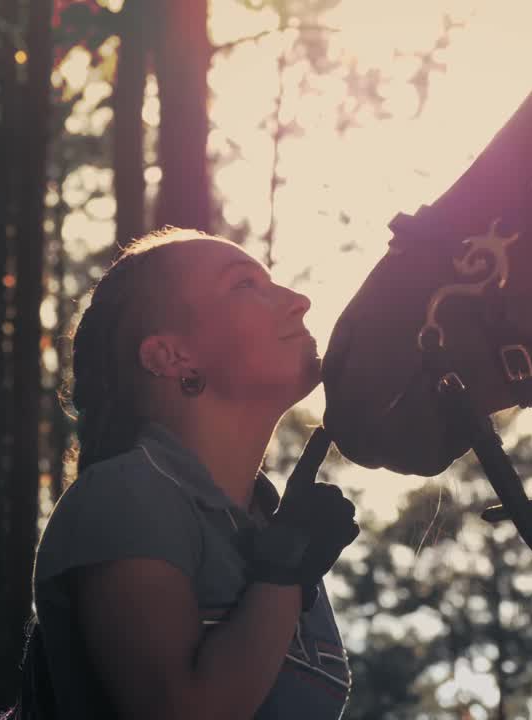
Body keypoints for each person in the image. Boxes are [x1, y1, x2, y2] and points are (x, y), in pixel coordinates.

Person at [27, 227, 361, 719]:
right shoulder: (124, 495)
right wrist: (283, 573)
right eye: (245, 285)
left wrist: (287, 560)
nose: (299, 300)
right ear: (170, 355)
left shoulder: (274, 530)